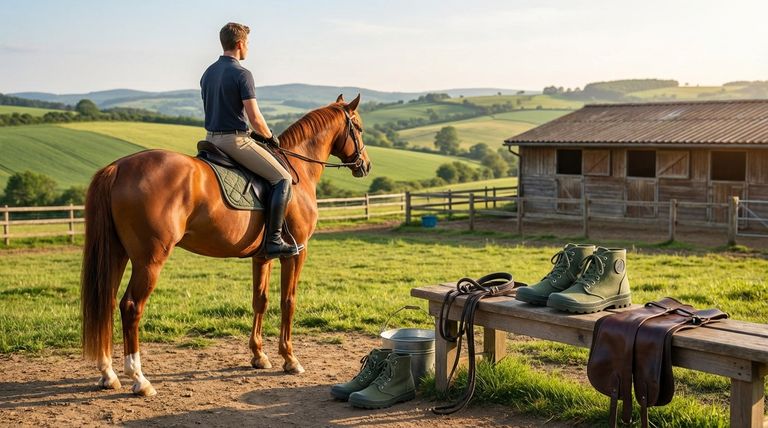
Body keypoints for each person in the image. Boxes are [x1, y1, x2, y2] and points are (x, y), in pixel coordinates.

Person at [201, 22, 303, 259]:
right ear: (239, 44)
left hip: (210, 140)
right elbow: (255, 117)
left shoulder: (208, 72)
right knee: (283, 178)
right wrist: (270, 137)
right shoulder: (242, 74)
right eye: (247, 43)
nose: (248, 48)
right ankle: (275, 240)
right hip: (233, 142)